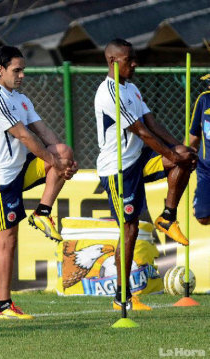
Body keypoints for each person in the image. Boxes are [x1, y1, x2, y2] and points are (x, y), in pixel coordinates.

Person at [95, 38, 197, 311]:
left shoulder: (132, 88)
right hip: (118, 170)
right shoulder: (109, 92)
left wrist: (178, 149)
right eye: (129, 60)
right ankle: (122, 296)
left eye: (134, 58)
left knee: (185, 160)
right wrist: (171, 153)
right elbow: (140, 130)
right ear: (112, 61)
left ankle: (168, 216)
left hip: (138, 161)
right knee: (129, 229)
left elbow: (152, 123)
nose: (135, 64)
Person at [0, 46, 77, 319]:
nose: (22, 75)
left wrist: (65, 160)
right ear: (0, 70)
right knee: (7, 241)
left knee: (64, 151)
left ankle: (42, 213)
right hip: (0, 178)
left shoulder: (20, 99)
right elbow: (24, 136)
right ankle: (3, 305)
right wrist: (53, 161)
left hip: (19, 169)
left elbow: (43, 131)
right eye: (16, 70)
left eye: (23, 70)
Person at [189, 77, 210, 225]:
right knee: (201, 215)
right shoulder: (204, 99)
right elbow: (194, 135)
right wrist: (181, 156)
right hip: (206, 168)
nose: (208, 85)